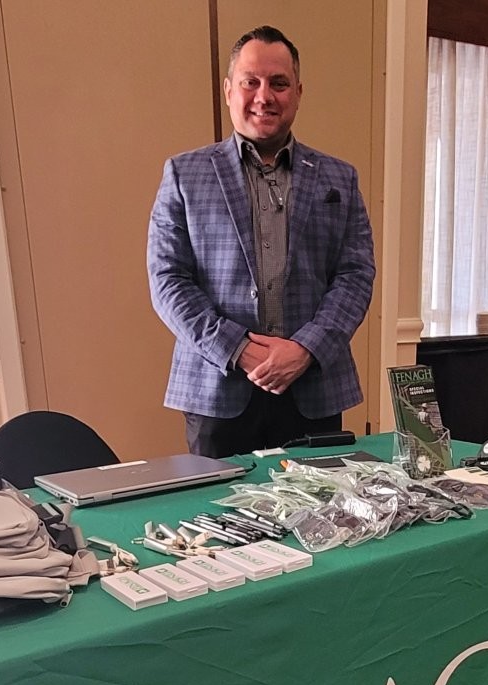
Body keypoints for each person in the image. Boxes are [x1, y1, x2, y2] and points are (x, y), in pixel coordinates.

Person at [147, 25, 375, 457]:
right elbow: (167, 280)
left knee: (320, 501)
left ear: (298, 93)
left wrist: (306, 348)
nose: (264, 96)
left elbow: (355, 276)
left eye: (279, 83)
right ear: (229, 90)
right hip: (217, 389)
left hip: (314, 388)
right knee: (218, 502)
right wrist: (237, 349)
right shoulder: (184, 174)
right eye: (250, 82)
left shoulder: (340, 177)